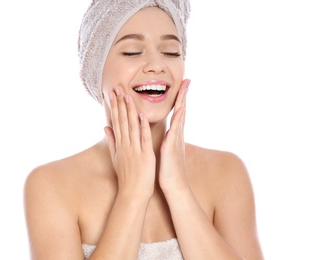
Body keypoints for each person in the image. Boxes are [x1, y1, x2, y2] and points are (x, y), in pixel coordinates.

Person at [24, 0, 264, 259]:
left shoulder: (226, 172)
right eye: (132, 52)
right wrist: (133, 194)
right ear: (96, 68)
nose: (156, 65)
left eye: (171, 52)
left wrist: (178, 188)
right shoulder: (51, 185)